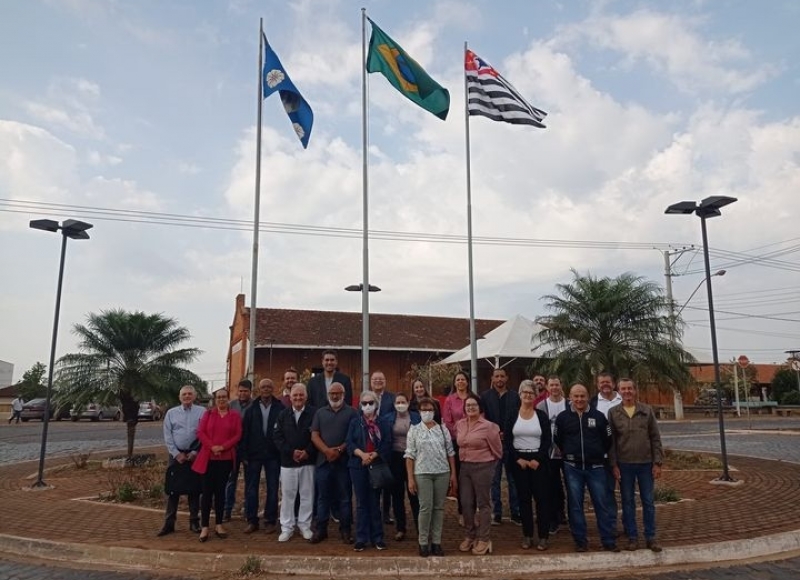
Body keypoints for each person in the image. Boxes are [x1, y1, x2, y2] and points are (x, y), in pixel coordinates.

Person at [554, 383, 617, 553]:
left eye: (582, 396)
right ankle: (580, 541)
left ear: (588, 396)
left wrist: (596, 454)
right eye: (576, 396)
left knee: (601, 504)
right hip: (572, 467)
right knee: (575, 505)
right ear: (570, 397)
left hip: (596, 467)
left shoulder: (599, 417)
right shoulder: (562, 418)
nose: (579, 399)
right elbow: (558, 439)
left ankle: (608, 539)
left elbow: (607, 439)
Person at [608, 378, 664, 553]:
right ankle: (632, 537)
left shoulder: (646, 411)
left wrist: (658, 462)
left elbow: (655, 437)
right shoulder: (613, 412)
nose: (627, 392)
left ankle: (650, 537)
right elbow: (612, 442)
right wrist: (613, 464)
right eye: (623, 389)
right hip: (624, 465)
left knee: (648, 501)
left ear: (635, 390)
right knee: (627, 502)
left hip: (646, 464)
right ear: (619, 391)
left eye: (630, 388)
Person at [405, 396, 457, 558]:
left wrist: (453, 474)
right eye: (423, 409)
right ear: (419, 412)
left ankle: (436, 542)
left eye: (430, 409)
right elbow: (409, 455)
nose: (427, 412)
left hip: (442, 472)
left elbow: (450, 452)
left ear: (434, 411)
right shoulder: (414, 429)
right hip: (422, 473)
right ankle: (423, 542)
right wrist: (411, 478)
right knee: (425, 507)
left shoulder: (442, 429)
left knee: (438, 508)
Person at [310, 381, 357, 545]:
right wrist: (327, 451)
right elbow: (314, 435)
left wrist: (339, 450)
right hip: (323, 462)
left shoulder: (352, 412)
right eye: (332, 393)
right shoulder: (320, 413)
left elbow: (353, 436)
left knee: (345, 498)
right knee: (323, 497)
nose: (335, 396)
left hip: (344, 463)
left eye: (338, 393)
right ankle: (321, 530)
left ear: (343, 395)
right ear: (328, 395)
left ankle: (345, 530)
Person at [192, 388, 243, 542]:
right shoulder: (208, 414)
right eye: (219, 397)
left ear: (228, 398)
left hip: (225, 459)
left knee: (221, 493)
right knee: (207, 493)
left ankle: (219, 524)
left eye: (224, 397)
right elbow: (200, 433)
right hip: (208, 458)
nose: (221, 400)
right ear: (215, 400)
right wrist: (212, 446)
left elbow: (238, 434)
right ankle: (205, 526)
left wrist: (223, 447)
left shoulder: (234, 415)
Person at [507, 382, 552, 550]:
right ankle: (527, 535)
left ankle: (543, 536)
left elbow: (547, 440)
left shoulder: (541, 415)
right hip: (519, 462)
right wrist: (518, 459)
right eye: (524, 392)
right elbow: (507, 441)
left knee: (542, 500)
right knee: (524, 500)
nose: (527, 396)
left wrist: (538, 459)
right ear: (520, 395)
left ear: (535, 396)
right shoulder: (512, 415)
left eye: (531, 393)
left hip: (538, 461)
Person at [456, 394, 502, 556]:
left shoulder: (489, 426)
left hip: (483, 467)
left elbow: (498, 450)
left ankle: (484, 538)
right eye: (467, 405)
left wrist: (489, 466)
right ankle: (470, 535)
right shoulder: (460, 425)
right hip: (465, 467)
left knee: (483, 503)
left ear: (480, 407)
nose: (470, 408)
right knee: (466, 503)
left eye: (474, 405)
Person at [346, 390, 392, 552]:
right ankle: (361, 538)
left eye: (370, 403)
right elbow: (349, 443)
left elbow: (387, 442)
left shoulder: (383, 423)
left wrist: (374, 455)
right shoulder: (355, 422)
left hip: (376, 465)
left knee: (374, 502)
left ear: (376, 404)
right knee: (361, 503)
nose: (367, 406)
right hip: (358, 466)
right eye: (364, 403)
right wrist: (362, 454)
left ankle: (377, 537)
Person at [158, 385, 205, 537]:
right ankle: (169, 523)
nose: (187, 396)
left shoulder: (202, 412)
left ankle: (194, 521)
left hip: (194, 455)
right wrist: (176, 454)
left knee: (194, 490)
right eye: (184, 394)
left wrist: (195, 452)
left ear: (194, 396)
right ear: (180, 397)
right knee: (173, 490)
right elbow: (167, 435)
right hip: (176, 456)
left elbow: (204, 433)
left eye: (190, 394)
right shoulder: (171, 413)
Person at [238, 378, 284, 534]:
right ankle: (252, 520)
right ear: (259, 389)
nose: (266, 389)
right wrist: (243, 453)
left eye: (269, 387)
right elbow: (244, 433)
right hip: (253, 455)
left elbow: (283, 432)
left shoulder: (280, 408)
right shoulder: (251, 409)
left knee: (272, 488)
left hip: (273, 455)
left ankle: (270, 521)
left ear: (273, 389)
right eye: (263, 387)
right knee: (251, 489)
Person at [273, 383, 317, 542]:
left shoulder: (314, 413)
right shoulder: (283, 415)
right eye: (295, 395)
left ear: (306, 396)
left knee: (307, 495)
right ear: (290, 397)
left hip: (308, 462)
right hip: (288, 462)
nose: (298, 398)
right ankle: (287, 527)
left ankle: (305, 526)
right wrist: (291, 452)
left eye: (301, 395)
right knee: (287, 496)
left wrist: (307, 452)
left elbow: (318, 436)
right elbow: (277, 438)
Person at [481, 368, 521, 525]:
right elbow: (483, 418)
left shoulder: (514, 396)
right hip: (492, 443)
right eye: (496, 376)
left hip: (511, 443)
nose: (499, 379)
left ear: (507, 378)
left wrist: (508, 433)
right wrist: (494, 432)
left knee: (513, 479)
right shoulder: (485, 396)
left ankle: (515, 512)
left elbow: (519, 417)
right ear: (492, 378)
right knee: (494, 480)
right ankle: (496, 512)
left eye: (502, 376)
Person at [386, 392, 420, 541]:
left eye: (403, 401)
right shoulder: (388, 418)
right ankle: (401, 528)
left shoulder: (416, 417)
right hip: (395, 458)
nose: (400, 404)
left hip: (413, 458)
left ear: (407, 402)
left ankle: (421, 528)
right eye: (397, 402)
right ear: (394, 404)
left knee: (414, 494)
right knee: (397, 495)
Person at [536, 375, 568, 534]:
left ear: (561, 386)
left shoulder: (569, 404)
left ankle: (567, 515)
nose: (554, 388)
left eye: (557, 384)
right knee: (552, 486)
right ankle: (553, 518)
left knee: (571, 486)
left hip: (567, 453)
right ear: (547, 388)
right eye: (552, 385)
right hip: (550, 453)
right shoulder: (542, 405)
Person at [591, 372, 622, 531]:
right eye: (602, 382)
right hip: (603, 455)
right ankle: (611, 524)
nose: (605, 385)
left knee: (627, 493)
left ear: (614, 384)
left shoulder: (623, 398)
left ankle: (629, 525)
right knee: (607, 491)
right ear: (597, 385)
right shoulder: (593, 403)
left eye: (608, 382)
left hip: (625, 454)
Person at [442, 371, 470, 523]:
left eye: (463, 379)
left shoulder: (474, 398)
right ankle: (461, 511)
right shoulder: (450, 400)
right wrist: (460, 434)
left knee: (473, 478)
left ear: (467, 382)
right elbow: (447, 421)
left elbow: (481, 417)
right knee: (459, 477)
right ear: (455, 383)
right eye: (458, 379)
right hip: (457, 442)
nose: (460, 382)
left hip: (473, 443)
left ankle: (472, 511)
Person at [224, 379, 253, 522]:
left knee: (250, 482)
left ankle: (248, 511)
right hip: (232, 449)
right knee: (230, 481)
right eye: (240, 391)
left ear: (250, 392)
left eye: (245, 391)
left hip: (248, 449)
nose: (242, 393)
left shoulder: (255, 406)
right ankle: (227, 510)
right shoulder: (231, 405)